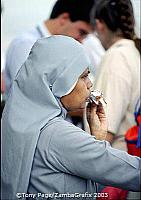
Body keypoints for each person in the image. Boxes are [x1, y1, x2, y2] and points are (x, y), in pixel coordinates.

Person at [1, 35, 140, 200]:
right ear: (59, 80)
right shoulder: (58, 134)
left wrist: (96, 139)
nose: (90, 83)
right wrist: (96, 145)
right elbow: (133, 172)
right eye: (83, 76)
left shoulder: (17, 123)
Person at [4, 0, 97, 100]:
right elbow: (32, 95)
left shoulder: (61, 49)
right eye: (81, 32)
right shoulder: (25, 45)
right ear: (64, 18)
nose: (81, 41)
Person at [90, 0, 140, 151]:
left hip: (113, 165)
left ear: (99, 24)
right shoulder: (134, 53)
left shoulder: (116, 56)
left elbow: (103, 133)